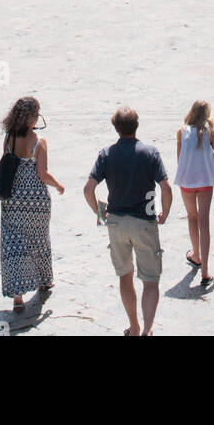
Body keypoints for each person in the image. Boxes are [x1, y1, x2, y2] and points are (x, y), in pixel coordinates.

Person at [84, 107, 172, 337]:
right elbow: (166, 187)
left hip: (116, 222)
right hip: (144, 221)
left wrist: (100, 213)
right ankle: (148, 330)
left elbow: (88, 189)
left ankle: (134, 327)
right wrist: (166, 211)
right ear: (137, 125)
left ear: (116, 128)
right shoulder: (150, 153)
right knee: (151, 280)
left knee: (125, 275)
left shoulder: (106, 154)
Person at [0, 95, 64, 312]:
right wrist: (58, 185)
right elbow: (43, 174)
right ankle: (44, 281)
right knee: (39, 241)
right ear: (32, 118)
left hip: (12, 199)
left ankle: (17, 296)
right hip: (36, 201)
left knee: (14, 244)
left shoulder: (9, 139)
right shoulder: (39, 142)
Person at [175, 100, 214, 284]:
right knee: (204, 222)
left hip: (187, 181)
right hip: (205, 181)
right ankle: (205, 271)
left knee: (192, 217)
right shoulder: (211, 133)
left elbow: (179, 159)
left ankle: (196, 254)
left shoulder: (182, 132)